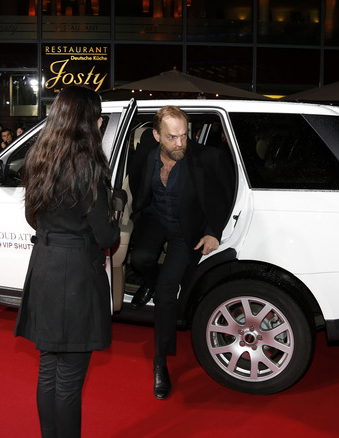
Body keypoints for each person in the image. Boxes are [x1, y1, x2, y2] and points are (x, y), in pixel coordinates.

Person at [14, 85, 120, 438]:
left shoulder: (38, 158)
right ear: (90, 122)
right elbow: (106, 237)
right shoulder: (88, 167)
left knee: (48, 370)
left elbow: (33, 217)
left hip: (44, 264)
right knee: (69, 381)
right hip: (76, 274)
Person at [128, 106, 234, 400]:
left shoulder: (208, 158)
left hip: (185, 231)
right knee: (140, 259)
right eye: (172, 137)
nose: (180, 144)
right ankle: (149, 280)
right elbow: (138, 188)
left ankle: (160, 363)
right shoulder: (146, 156)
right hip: (155, 218)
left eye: (184, 136)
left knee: (166, 294)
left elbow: (225, 196)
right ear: (156, 136)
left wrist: (213, 231)